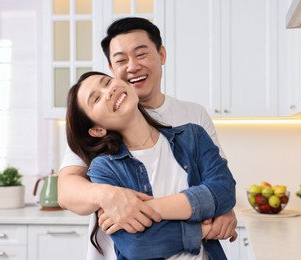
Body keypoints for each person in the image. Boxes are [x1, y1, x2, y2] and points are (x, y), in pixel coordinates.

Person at [58, 17, 238, 259]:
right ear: (112, 69)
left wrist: (222, 207)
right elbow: (66, 191)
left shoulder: (193, 121)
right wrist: (109, 196)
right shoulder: (102, 148)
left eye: (140, 54)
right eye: (121, 60)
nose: (132, 66)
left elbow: (221, 185)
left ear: (161, 54)